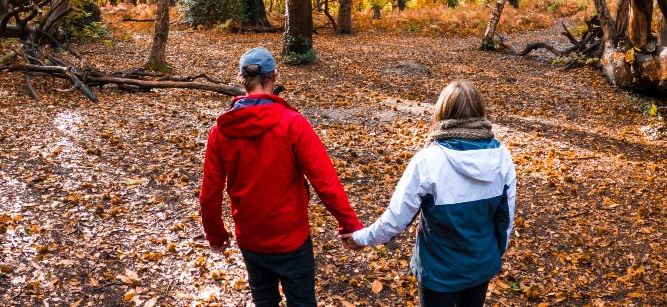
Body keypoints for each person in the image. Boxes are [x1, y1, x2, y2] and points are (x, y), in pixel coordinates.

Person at [199, 46, 363, 307]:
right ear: (274, 77)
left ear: (243, 81)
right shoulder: (292, 123)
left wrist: (215, 235)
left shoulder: (220, 132)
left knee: (264, 301)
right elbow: (325, 180)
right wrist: (350, 225)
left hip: (250, 238)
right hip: (291, 239)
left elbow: (209, 193)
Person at [342, 80, 517, 307]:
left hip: (438, 273)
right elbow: (505, 221)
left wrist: (359, 238)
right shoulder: (502, 157)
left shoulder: (428, 161)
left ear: (442, 112)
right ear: (479, 111)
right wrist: (493, 255)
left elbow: (395, 221)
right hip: (480, 266)